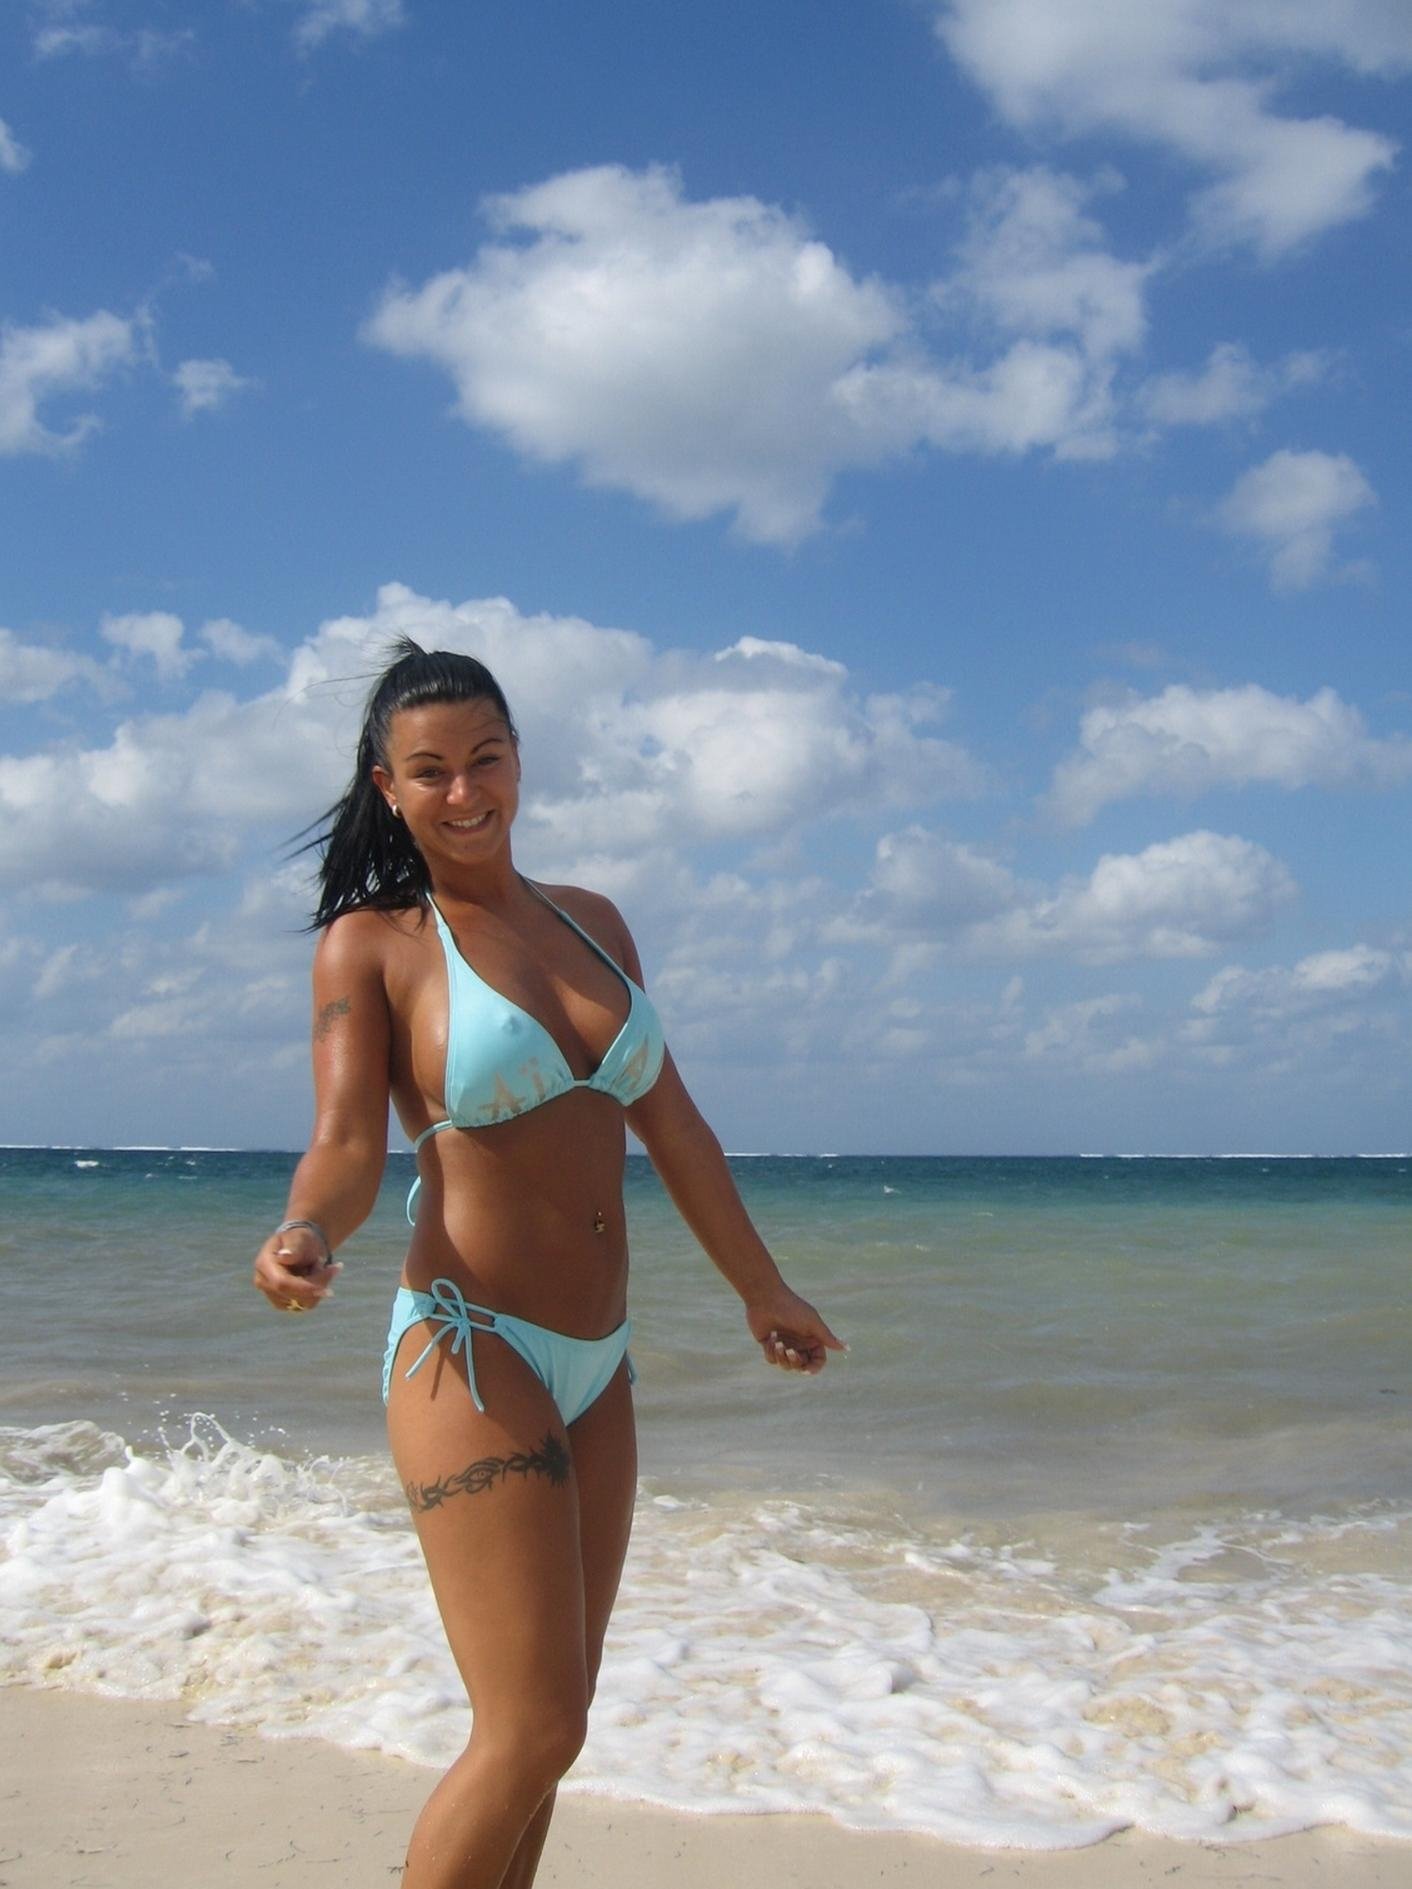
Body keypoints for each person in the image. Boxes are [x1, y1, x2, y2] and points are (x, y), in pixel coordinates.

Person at [251, 639, 843, 1889]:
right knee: (529, 1725)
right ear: (387, 787)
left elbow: (673, 1125)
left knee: (552, 1730)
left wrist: (761, 1286)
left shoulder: (595, 922)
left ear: (519, 759)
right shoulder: (374, 943)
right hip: (470, 1347)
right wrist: (306, 1229)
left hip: (597, 1362)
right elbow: (347, 1141)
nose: (465, 792)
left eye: (486, 758)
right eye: (431, 771)